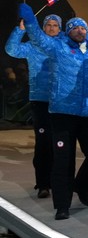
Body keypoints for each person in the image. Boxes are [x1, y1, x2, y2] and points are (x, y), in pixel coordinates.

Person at [18, 6, 88, 221]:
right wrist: (30, 21)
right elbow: (39, 39)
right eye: (74, 27)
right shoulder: (58, 47)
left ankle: (82, 185)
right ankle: (62, 205)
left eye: (82, 27)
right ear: (67, 32)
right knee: (63, 161)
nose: (79, 30)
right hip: (62, 114)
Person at [6, 13, 61, 199]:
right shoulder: (33, 46)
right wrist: (19, 30)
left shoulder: (64, 46)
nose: (52, 28)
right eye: (48, 24)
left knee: (61, 144)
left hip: (62, 102)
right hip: (40, 100)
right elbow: (12, 49)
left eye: (55, 25)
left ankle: (60, 181)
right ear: (43, 27)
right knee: (44, 143)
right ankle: (43, 183)